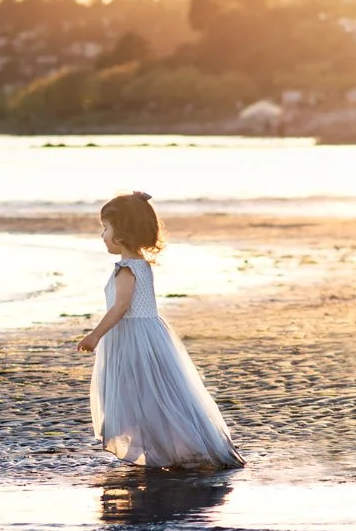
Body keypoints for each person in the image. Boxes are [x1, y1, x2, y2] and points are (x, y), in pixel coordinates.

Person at [77, 192, 244, 469]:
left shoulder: (126, 269)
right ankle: (160, 445)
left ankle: (162, 446)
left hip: (132, 337)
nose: (102, 235)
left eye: (105, 228)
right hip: (147, 334)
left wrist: (95, 335)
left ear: (122, 234)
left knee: (139, 392)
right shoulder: (141, 264)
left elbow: (120, 308)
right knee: (151, 391)